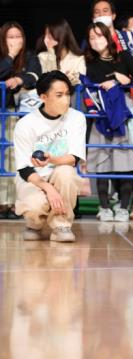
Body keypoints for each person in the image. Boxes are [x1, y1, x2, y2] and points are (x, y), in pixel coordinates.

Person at [14, 71, 86, 242]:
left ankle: (61, 225)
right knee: (34, 206)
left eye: (68, 94)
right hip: (34, 178)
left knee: (66, 172)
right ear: (44, 97)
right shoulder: (25, 124)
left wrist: (52, 159)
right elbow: (24, 169)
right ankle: (34, 224)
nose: (66, 100)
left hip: (60, 174)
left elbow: (74, 157)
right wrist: (48, 188)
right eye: (59, 95)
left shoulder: (77, 118)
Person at [84, 22, 133, 222]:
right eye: (92, 38)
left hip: (122, 112)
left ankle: (124, 208)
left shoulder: (124, 56)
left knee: (124, 161)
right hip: (101, 112)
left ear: (109, 37)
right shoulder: (90, 61)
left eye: (99, 36)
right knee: (102, 161)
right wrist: (116, 79)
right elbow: (96, 81)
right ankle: (104, 207)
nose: (95, 41)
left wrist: (121, 79)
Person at [0, 21, 42, 220]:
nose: (15, 41)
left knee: (13, 156)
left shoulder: (30, 56)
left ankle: (13, 203)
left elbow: (35, 76)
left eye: (18, 37)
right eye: (11, 37)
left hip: (14, 113)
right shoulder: (4, 57)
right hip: (1, 110)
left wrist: (19, 80)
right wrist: (10, 56)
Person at [36, 19, 86, 86]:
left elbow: (81, 83)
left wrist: (73, 79)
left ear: (62, 37)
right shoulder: (42, 56)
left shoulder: (78, 59)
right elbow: (45, 82)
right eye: (45, 35)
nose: (45, 40)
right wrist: (51, 55)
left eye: (50, 37)